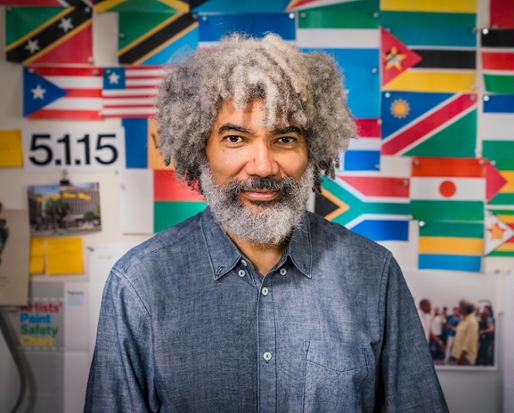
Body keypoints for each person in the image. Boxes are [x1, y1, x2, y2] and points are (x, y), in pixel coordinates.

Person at [84, 34, 448, 412]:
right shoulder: (139, 284)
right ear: (200, 149)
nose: (262, 166)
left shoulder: (375, 274)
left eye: (285, 138)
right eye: (236, 138)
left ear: (313, 152)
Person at [450, 299, 479, 366]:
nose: (458, 309)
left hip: (465, 358)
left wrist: (462, 357)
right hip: (459, 356)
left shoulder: (472, 322)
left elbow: (469, 341)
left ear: (464, 309)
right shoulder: (463, 320)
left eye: (459, 307)